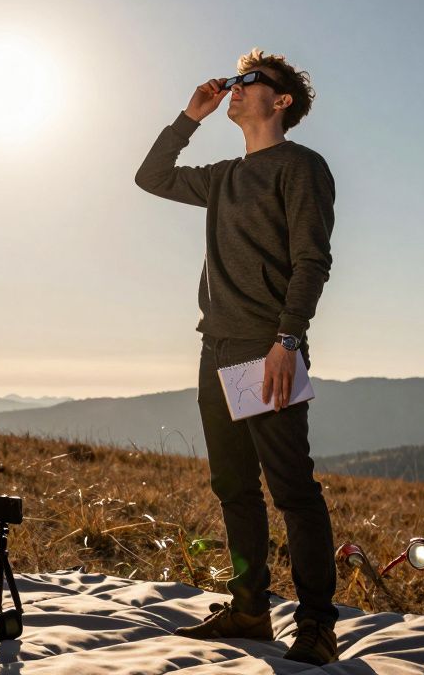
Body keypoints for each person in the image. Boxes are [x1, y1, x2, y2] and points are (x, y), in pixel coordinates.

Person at [134, 49, 339, 665]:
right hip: (215, 347)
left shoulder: (300, 167)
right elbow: (151, 176)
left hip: (266, 347)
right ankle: (250, 608)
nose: (237, 86)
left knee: (292, 491)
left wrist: (288, 341)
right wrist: (189, 117)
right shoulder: (223, 176)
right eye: (237, 78)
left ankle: (317, 626)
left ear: (280, 101)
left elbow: (312, 260)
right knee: (233, 488)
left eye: (251, 80)